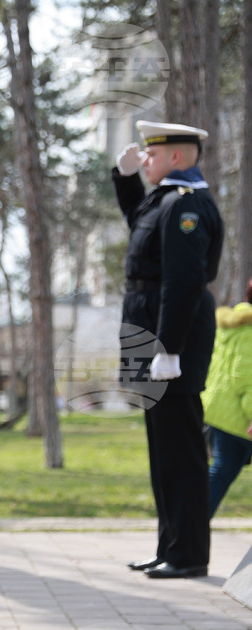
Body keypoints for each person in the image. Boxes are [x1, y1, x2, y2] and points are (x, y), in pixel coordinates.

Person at [113, 119, 224, 579]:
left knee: (181, 451)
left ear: (175, 157)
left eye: (151, 155)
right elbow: (139, 224)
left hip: (167, 336)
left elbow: (183, 281)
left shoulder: (187, 205)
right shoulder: (162, 200)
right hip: (148, 330)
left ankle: (188, 554)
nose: (145, 160)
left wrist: (170, 349)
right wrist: (124, 180)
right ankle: (170, 547)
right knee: (163, 451)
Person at [201, 278, 252, 517]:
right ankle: (188, 531)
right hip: (241, 417)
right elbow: (246, 378)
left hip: (223, 412)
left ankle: (186, 532)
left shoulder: (233, 323)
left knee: (220, 474)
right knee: (220, 474)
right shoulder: (249, 328)